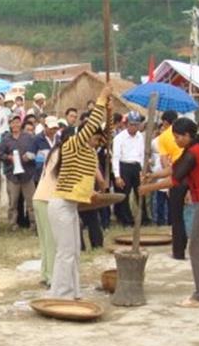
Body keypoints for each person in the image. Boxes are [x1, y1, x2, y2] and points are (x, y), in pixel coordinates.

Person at [140, 118, 199, 308]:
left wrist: (149, 188)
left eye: (178, 137)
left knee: (197, 249)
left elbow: (174, 180)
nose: (176, 140)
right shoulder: (192, 149)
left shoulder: (194, 152)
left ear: (187, 136)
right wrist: (152, 175)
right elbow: (174, 168)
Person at [48, 83, 110, 300]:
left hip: (71, 205)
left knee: (73, 252)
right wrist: (101, 99)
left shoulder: (90, 155)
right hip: (60, 205)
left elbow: (84, 184)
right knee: (65, 253)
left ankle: (72, 292)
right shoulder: (72, 145)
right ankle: (61, 296)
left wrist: (92, 194)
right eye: (95, 138)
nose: (97, 143)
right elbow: (92, 124)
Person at [149, 110, 187, 259]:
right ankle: (185, 244)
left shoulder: (163, 138)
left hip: (176, 175)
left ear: (165, 123)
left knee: (177, 216)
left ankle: (179, 250)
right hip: (187, 175)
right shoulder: (186, 134)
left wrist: (170, 178)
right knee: (184, 214)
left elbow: (165, 162)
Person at [0, 115, 36, 231]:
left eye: (17, 122)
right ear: (10, 125)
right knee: (13, 202)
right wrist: (8, 157)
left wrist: (28, 156)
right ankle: (12, 224)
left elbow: (34, 151)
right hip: (12, 176)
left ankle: (33, 224)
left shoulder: (28, 137)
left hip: (27, 174)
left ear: (21, 124)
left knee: (31, 202)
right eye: (13, 123)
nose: (15, 125)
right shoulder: (6, 139)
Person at [111, 111, 145, 227]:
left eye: (136, 124)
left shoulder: (140, 136)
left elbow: (142, 154)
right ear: (126, 125)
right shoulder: (119, 138)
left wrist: (142, 170)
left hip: (136, 166)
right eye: (132, 124)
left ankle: (143, 217)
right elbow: (115, 157)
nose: (134, 127)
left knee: (141, 192)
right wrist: (117, 175)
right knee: (124, 194)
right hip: (124, 165)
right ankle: (126, 219)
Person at [33, 145, 59, 287]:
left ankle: (44, 274)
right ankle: (51, 277)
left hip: (39, 198)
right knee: (51, 241)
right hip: (46, 199)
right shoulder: (61, 153)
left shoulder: (53, 152)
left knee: (45, 241)